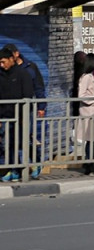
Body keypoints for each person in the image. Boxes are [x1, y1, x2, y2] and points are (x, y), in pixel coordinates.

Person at [8, 44, 46, 178]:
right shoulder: (7, 69)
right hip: (11, 110)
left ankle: (35, 163)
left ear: (16, 54)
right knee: (11, 138)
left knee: (27, 137)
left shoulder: (30, 67)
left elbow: (39, 87)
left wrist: (41, 107)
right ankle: (15, 169)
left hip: (26, 109)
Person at [1, 46, 36, 182]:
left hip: (20, 117)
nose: (2, 65)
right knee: (7, 144)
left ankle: (28, 165)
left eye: (3, 62)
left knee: (21, 143)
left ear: (11, 59)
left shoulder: (23, 74)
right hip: (6, 116)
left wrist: (22, 116)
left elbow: (27, 95)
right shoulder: (1, 75)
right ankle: (13, 169)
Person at [75, 53, 94, 175]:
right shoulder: (86, 77)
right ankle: (89, 163)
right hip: (89, 112)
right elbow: (81, 95)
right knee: (91, 140)